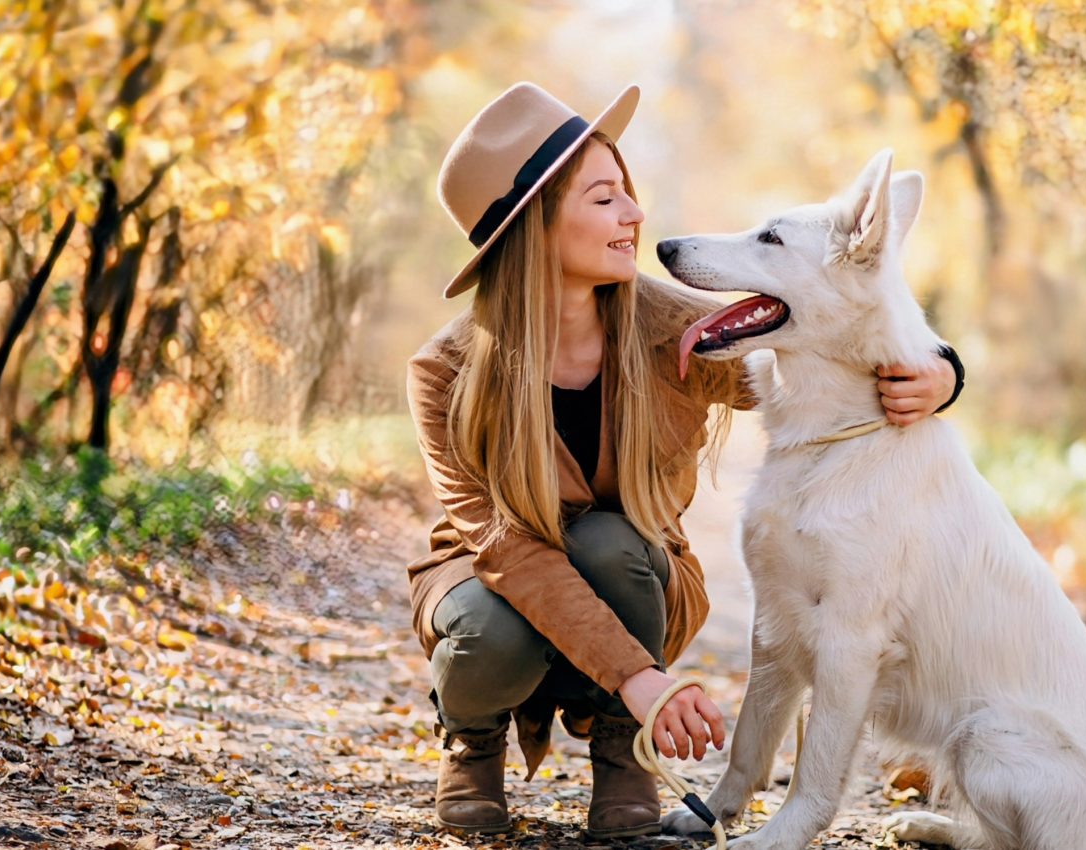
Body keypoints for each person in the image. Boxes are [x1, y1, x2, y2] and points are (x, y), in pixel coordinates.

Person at [404, 81, 962, 839]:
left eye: (628, 192)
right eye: (605, 199)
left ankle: (620, 752)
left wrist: (941, 370)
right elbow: (505, 549)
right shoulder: (445, 372)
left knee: (612, 543)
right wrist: (643, 678)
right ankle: (472, 742)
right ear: (534, 226)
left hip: (633, 578)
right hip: (496, 584)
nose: (635, 214)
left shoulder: (676, 328)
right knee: (483, 627)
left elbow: (833, 330)